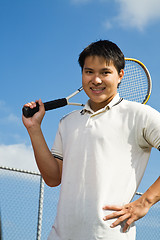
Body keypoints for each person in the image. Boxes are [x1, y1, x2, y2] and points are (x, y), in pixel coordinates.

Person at [22, 40, 160, 240]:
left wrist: (145, 202)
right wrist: (34, 129)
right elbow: (52, 179)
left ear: (120, 75)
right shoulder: (67, 122)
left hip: (109, 235)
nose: (96, 80)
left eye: (105, 72)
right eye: (89, 72)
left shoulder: (140, 115)